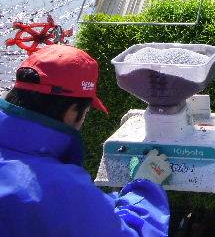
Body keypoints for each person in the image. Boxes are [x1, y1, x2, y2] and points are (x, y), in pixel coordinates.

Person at [0, 45, 171, 237]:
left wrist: (104, 204)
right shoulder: (63, 190)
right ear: (72, 112)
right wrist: (145, 188)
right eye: (86, 113)